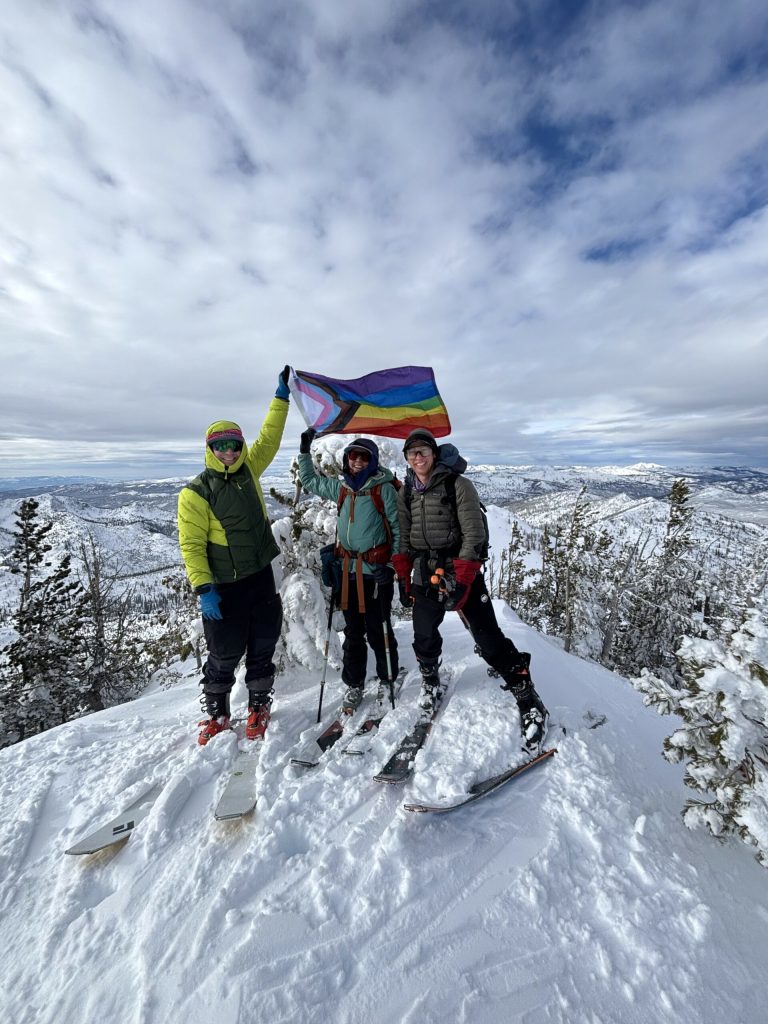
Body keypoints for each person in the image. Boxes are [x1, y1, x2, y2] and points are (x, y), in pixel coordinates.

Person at [392, 427, 549, 750]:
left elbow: (474, 534)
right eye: (412, 453)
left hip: (460, 569)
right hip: (424, 570)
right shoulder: (406, 491)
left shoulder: (457, 485)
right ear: (407, 459)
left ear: (434, 454)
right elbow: (403, 535)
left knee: (486, 634)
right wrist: (403, 574)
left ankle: (525, 692)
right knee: (423, 633)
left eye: (423, 451)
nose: (418, 457)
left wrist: (463, 579)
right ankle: (430, 680)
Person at [178, 368, 291, 745]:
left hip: (259, 576)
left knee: (262, 644)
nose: (229, 451)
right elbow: (192, 545)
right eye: (221, 446)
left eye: (234, 445)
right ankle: (217, 713)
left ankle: (258, 704)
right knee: (223, 654)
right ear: (209, 449)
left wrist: (281, 399)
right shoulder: (195, 492)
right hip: (224, 585)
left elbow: (270, 439)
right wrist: (203, 587)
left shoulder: (249, 471)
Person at [298, 430, 400, 714]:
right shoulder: (343, 488)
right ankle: (354, 684)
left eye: (363, 456)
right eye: (352, 456)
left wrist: (391, 566)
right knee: (353, 633)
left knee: (378, 630)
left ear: (372, 461)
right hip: (348, 573)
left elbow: (398, 529)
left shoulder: (384, 489)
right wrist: (305, 452)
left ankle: (387, 678)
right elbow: (309, 480)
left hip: (376, 572)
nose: (356, 461)